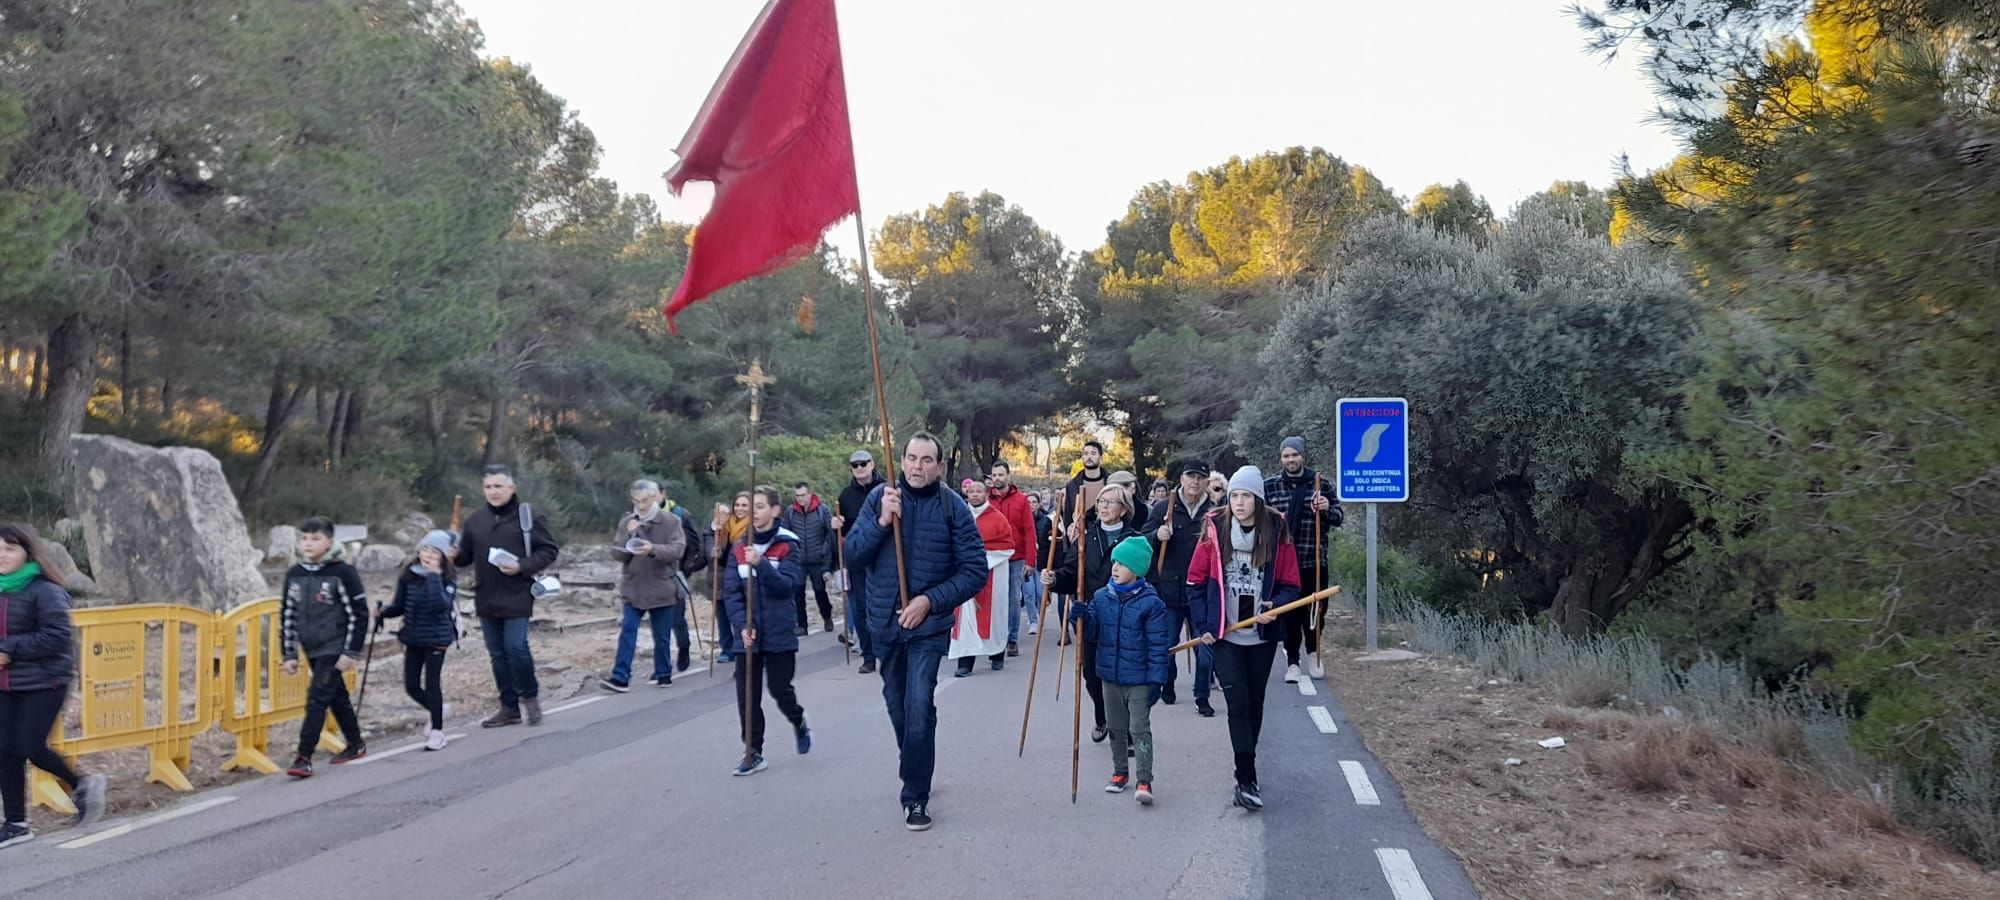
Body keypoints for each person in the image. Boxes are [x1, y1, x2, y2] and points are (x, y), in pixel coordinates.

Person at [843, 433, 987, 831]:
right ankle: (916, 759)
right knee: (898, 706)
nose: (917, 466)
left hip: (928, 626)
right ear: (901, 461)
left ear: (940, 467)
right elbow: (852, 555)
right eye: (911, 458)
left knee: (919, 703)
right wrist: (881, 523)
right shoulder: (880, 499)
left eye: (927, 460)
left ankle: (915, 796)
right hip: (885, 625)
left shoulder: (951, 508)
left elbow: (974, 572)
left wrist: (928, 601)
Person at [1188, 466, 1300, 812]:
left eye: (1246, 496)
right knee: (1236, 705)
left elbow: (1292, 586)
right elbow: (1195, 582)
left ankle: (1248, 766)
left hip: (1262, 636)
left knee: (1254, 705)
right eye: (1234, 495)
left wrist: (1275, 606)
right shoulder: (1214, 531)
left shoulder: (1278, 534)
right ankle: (1245, 778)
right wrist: (1204, 624)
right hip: (1226, 636)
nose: (1238, 502)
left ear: (1258, 500)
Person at [0, 524, 106, 847]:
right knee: (4, 751)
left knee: (30, 746)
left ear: (27, 553)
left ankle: (83, 785)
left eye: (9, 549)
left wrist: (9, 649)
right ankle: (16, 823)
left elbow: (58, 637)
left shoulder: (45, 590)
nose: (2, 556)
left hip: (46, 680)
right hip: (6, 682)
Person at [453, 466, 562, 728]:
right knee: (497, 654)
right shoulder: (476, 520)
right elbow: (464, 557)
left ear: (511, 488)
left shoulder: (528, 516)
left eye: (498, 486)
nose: (493, 492)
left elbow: (549, 550)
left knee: (516, 647)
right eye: (488, 487)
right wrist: (451, 554)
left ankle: (530, 696)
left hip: (518, 593)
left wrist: (522, 566)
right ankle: (509, 707)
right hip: (486, 595)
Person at [1070, 536, 1171, 805]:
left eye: (1123, 563)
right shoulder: (1102, 597)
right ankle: (1119, 772)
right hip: (1109, 676)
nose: (1115, 567)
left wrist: (1157, 680)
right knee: (1116, 727)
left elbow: (1159, 645)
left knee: (1138, 727)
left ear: (1137, 569)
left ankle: (1144, 779)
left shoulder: (1152, 604)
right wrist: (1080, 617)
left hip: (1139, 678)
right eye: (1115, 561)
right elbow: (1091, 633)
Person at [722, 486, 812, 777]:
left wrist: (761, 564)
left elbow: (787, 587)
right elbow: (732, 592)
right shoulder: (738, 548)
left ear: (774, 511)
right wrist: (741, 624)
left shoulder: (788, 545)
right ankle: (753, 752)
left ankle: (798, 719)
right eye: (750, 506)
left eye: (760, 506)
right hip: (747, 637)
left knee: (779, 689)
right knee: (747, 696)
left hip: (779, 632)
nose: (753, 512)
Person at [1045, 483, 1141, 743]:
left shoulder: (1134, 539)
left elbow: (1146, 577)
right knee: (1092, 676)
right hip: (1090, 616)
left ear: (1123, 509)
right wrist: (1054, 579)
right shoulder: (1085, 537)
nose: (1104, 506)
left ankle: (1127, 728)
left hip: (1125, 618)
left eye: (1110, 502)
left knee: (1122, 676)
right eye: (1100, 502)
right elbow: (1070, 573)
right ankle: (1103, 717)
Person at [281, 517, 370, 776]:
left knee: (317, 698)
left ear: (329, 542)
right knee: (336, 696)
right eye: (305, 538)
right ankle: (355, 742)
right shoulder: (295, 574)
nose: (309, 544)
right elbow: (288, 614)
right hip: (311, 646)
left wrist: (350, 652)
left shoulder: (342, 572)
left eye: (315, 538)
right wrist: (288, 653)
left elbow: (359, 613)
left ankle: (303, 756)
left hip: (335, 645)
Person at [1264, 436, 1341, 682]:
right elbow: (1261, 520)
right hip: (1283, 564)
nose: (1290, 460)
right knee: (1289, 613)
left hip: (1314, 560)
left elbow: (1339, 517)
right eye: (1286, 456)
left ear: (1302, 456)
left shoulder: (1320, 484)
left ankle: (1313, 652)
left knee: (1316, 610)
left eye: (1294, 455)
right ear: (1281, 459)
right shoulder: (1271, 486)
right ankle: (1293, 662)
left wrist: (1328, 507)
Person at [1144, 459, 1217, 715]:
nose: (1195, 482)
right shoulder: (1165, 508)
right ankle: (1168, 683)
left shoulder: (1216, 511)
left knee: (1205, 649)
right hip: (1169, 590)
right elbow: (1143, 538)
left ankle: (1202, 696)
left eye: (1200, 477)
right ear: (1182, 480)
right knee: (1167, 647)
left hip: (1204, 592)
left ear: (1207, 481)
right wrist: (1157, 535)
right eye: (1190, 476)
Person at [601, 479, 687, 692]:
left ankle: (663, 673)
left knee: (662, 636)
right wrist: (629, 536)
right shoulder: (627, 521)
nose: (641, 506)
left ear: (655, 497)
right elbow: (617, 554)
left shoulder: (671, 521)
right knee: (628, 631)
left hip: (661, 586)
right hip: (633, 587)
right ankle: (620, 677)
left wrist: (652, 548)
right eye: (637, 501)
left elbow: (677, 550)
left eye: (646, 500)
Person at [380, 530, 459, 751]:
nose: (428, 555)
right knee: (411, 686)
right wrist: (383, 612)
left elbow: (440, 606)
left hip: (437, 638)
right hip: (413, 637)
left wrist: (433, 575)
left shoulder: (448, 577)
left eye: (435, 552)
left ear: (443, 556)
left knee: (432, 683)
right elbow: (399, 606)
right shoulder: (408, 574)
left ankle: (437, 732)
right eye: (425, 549)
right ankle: (438, 709)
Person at [949, 479, 1013, 677]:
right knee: (964, 619)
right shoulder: (959, 515)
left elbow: (1008, 545)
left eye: (979, 491)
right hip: (964, 575)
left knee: (993, 618)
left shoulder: (998, 518)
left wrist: (980, 559)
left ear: (986, 494)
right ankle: (965, 662)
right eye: (971, 491)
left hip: (992, 574)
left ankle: (996, 654)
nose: (975, 494)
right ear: (967, 493)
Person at [835, 451, 882, 674]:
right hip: (857, 560)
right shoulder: (845, 496)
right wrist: (836, 525)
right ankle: (869, 656)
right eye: (855, 465)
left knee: (887, 606)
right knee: (861, 609)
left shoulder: (887, 489)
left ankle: (891, 651)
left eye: (863, 463)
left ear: (872, 464)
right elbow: (843, 532)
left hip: (884, 557)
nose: (860, 468)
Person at [985, 462, 1037, 657]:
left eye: (1000, 474)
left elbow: (1030, 531)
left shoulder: (1021, 500)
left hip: (1016, 557)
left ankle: (1011, 639)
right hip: (991, 557)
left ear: (1008, 476)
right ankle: (993, 637)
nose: (997, 478)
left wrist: (1030, 561)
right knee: (992, 598)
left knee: (1013, 598)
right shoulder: (986, 500)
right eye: (994, 475)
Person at [781, 482, 837, 637]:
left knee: (820, 592)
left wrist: (828, 558)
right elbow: (785, 534)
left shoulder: (822, 510)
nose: (800, 499)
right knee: (798, 593)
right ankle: (802, 625)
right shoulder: (790, 512)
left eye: (803, 495)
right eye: (797, 496)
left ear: (810, 494)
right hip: (798, 561)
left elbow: (830, 534)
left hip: (817, 559)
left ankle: (827, 617)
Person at [710, 493, 751, 665]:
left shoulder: (753, 527)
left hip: (746, 573)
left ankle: (742, 645)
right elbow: (711, 544)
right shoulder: (724, 525)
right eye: (738, 505)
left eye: (744, 505)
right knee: (724, 613)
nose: (740, 509)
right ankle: (728, 648)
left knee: (743, 611)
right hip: (725, 573)